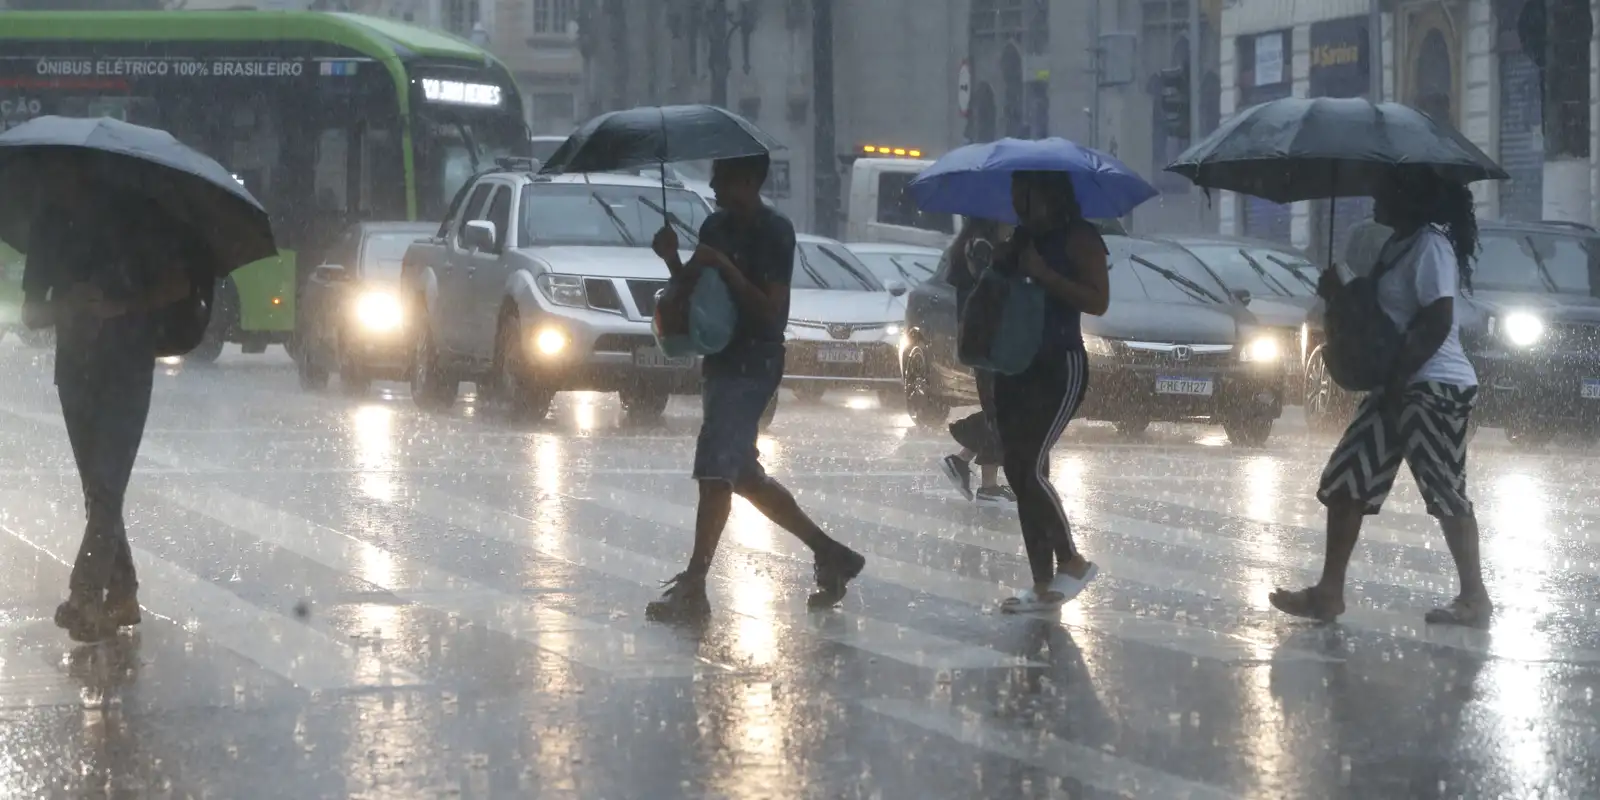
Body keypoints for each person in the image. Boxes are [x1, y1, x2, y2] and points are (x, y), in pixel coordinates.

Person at [645, 154, 866, 621]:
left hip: (754, 362)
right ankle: (831, 553)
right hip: (720, 358)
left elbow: (771, 312)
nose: (713, 185)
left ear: (747, 181)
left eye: (722, 178)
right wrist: (673, 261)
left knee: (714, 471)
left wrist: (725, 267)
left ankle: (695, 583)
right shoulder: (714, 227)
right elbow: (696, 295)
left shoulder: (775, 232)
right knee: (740, 473)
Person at [1270, 166, 1490, 627]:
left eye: (1385, 188)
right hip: (1396, 384)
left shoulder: (1431, 245)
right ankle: (1329, 593)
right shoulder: (1399, 245)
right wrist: (1341, 293)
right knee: (1349, 479)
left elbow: (1437, 320)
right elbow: (1382, 318)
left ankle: (1474, 598)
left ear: (1409, 196)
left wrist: (1398, 382)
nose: (1374, 195)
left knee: (1444, 487)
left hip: (1433, 387)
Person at [22, 156, 191, 642]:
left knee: (107, 485)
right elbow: (32, 313)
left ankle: (85, 596)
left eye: (57, 171)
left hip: (127, 369)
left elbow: (177, 284)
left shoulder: (135, 218)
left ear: (83, 171)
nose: (50, 179)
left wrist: (120, 306)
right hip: (74, 372)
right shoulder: (49, 224)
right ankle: (123, 593)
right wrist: (67, 304)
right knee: (99, 490)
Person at [989, 171, 1109, 613]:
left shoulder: (1080, 238)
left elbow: (1098, 300)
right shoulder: (1022, 236)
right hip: (1015, 363)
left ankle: (1072, 560)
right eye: (1015, 190)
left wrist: (1043, 273)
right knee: (1020, 472)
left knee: (1029, 466)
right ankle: (1042, 582)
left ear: (1050, 192)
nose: (1018, 198)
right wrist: (1003, 261)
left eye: (1026, 190)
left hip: (1060, 365)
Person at [937, 217, 1016, 505]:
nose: (1012, 227)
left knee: (1000, 409)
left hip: (981, 340)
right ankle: (987, 485)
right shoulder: (981, 250)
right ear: (992, 222)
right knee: (1001, 411)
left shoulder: (969, 248)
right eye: (1009, 223)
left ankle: (963, 462)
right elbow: (992, 292)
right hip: (989, 342)